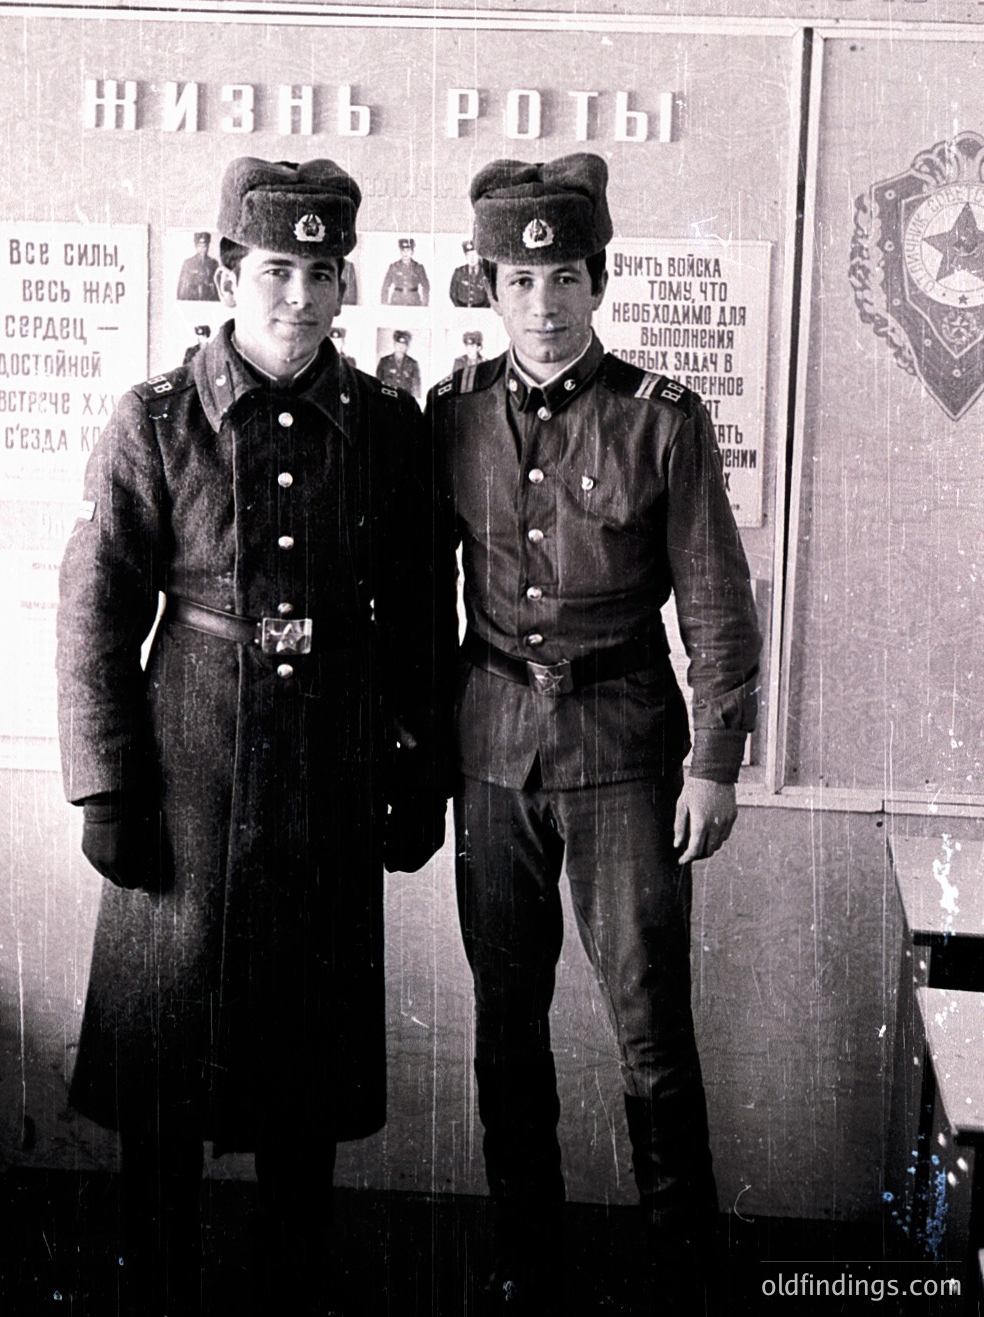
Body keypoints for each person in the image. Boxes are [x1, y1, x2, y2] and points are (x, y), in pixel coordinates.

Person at [57, 156, 445, 1315]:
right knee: (166, 1052)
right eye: (276, 268)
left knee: (304, 1063)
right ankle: (155, 1278)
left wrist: (415, 773)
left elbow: (423, 613)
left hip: (327, 773)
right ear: (230, 271)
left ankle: (291, 1278)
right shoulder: (157, 420)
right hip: (187, 776)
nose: (299, 298)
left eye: (322, 273)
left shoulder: (383, 427)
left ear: (345, 284)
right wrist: (106, 790)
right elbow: (94, 611)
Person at [427, 153, 761, 1315]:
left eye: (564, 277)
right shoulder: (452, 415)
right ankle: (526, 1255)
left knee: (649, 1028)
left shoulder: (660, 422)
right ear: (487, 289)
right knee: (502, 1028)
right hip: (490, 754)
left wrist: (713, 763)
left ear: (596, 281)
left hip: (623, 756)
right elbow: (422, 592)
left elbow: (717, 604)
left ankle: (682, 1266)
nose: (543, 305)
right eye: (518, 285)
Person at [381, 236, 430, 305]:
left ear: (412, 252)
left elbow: (426, 286)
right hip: (397, 301)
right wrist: (384, 302)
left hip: (413, 301)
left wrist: (425, 303)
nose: (405, 253)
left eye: (408, 250)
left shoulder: (418, 268)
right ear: (400, 252)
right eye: (403, 251)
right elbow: (385, 286)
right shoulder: (393, 267)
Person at [376, 329, 422, 401]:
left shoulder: (412, 363)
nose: (400, 348)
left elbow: (416, 386)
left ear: (407, 347)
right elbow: (377, 383)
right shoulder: (384, 362)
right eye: (398, 345)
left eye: (403, 345)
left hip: (405, 400)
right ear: (394, 344)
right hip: (387, 400)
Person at [175, 230, 220, 301]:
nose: (202, 249)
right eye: (200, 246)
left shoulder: (213, 264)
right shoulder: (188, 263)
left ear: (208, 247)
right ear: (196, 247)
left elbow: (218, 288)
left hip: (209, 302)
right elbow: (181, 287)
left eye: (204, 246)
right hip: (192, 301)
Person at [449, 239, 490, 307]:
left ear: (479, 256)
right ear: (466, 257)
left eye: (474, 255)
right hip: (462, 309)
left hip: (481, 310)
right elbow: (453, 294)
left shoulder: (486, 272)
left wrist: (482, 310)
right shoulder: (459, 272)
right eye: (469, 255)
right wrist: (460, 308)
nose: (472, 258)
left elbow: (490, 296)